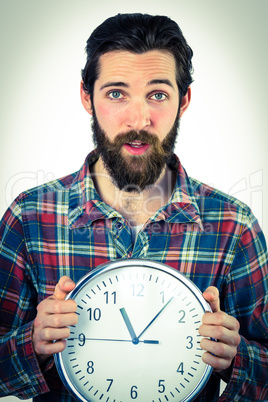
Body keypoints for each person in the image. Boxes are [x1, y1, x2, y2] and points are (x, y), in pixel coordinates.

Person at [0, 13, 267, 402]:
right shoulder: (29, 218)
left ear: (184, 100)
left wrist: (236, 357)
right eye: (116, 93)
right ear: (86, 97)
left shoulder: (233, 226)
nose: (139, 119)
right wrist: (33, 344)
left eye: (158, 94)